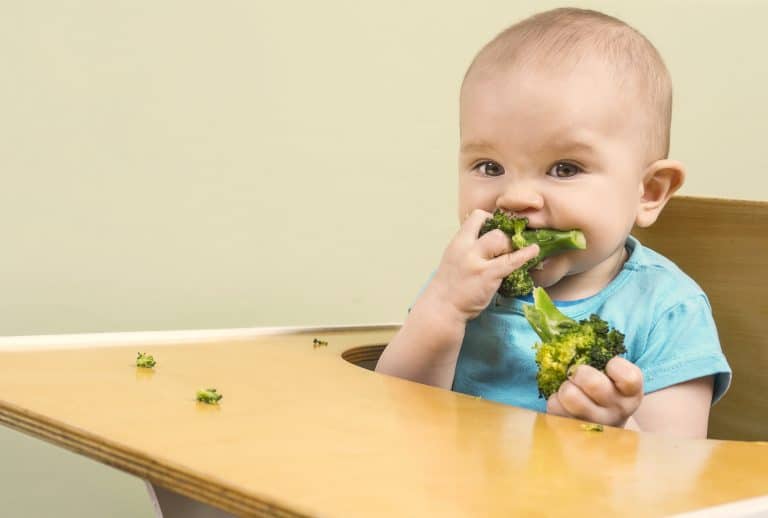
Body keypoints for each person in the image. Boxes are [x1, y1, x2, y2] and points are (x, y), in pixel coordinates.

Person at [375, 7, 731, 439]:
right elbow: (395, 415)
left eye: (564, 168)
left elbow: (677, 475)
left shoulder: (668, 310)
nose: (515, 197)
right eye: (489, 166)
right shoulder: (463, 283)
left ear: (649, 191)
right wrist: (442, 309)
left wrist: (617, 427)